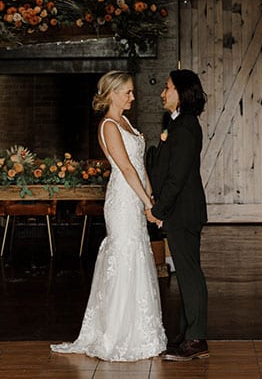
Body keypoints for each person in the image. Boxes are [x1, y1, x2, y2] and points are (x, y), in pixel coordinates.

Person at [52, 72, 166, 361]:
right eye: (127, 92)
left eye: (131, 92)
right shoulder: (109, 126)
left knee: (137, 255)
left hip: (136, 195)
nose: (132, 97)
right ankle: (115, 334)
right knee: (125, 257)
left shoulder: (126, 122)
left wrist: (152, 200)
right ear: (113, 94)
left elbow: (140, 167)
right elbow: (126, 169)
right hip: (123, 200)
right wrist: (146, 204)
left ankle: (140, 332)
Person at [147, 69, 210, 361]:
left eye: (167, 87)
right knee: (187, 274)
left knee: (189, 274)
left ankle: (196, 338)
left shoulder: (185, 127)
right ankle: (187, 334)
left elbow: (177, 177)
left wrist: (157, 210)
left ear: (182, 92)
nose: (163, 93)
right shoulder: (176, 124)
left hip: (183, 212)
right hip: (181, 211)